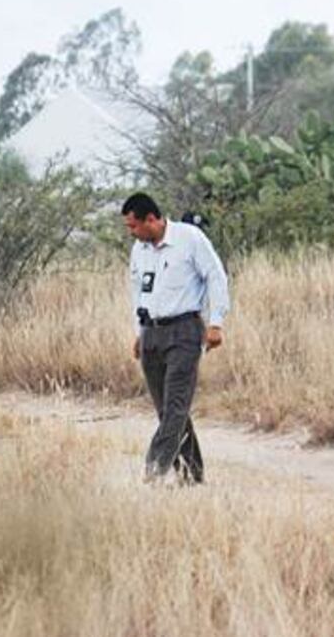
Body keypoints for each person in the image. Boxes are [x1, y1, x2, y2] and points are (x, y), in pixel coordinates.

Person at [122, 192, 230, 485]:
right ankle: (192, 475)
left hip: (184, 331)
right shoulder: (139, 250)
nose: (131, 232)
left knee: (175, 406)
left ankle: (154, 469)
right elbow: (137, 293)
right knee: (166, 410)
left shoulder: (189, 238)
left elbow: (216, 277)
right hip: (151, 333)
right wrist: (138, 333)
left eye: (133, 226)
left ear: (151, 219)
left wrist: (216, 322)